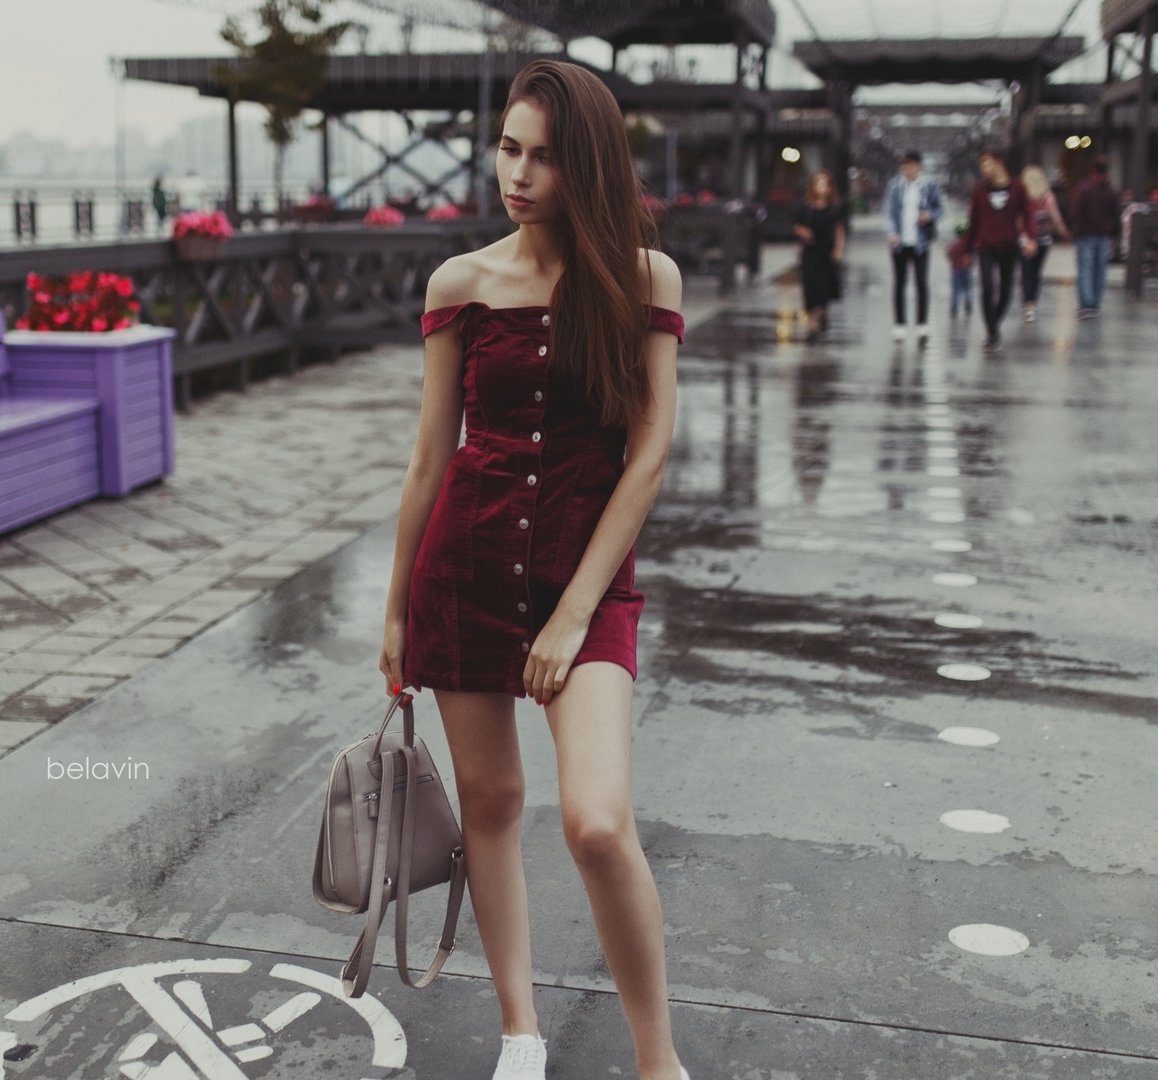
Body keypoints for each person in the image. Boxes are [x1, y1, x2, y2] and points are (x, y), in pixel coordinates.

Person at [380, 58, 689, 1080]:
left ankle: (658, 1062)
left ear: (587, 165)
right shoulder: (460, 284)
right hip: (462, 576)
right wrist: (393, 614)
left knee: (599, 823)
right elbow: (431, 456)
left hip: (584, 585)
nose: (517, 174)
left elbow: (645, 457)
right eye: (509, 148)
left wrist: (571, 617)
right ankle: (521, 1031)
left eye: (544, 157)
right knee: (494, 805)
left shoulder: (645, 280)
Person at [968, 149, 1037, 350]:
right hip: (985, 246)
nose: (983, 169)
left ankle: (993, 322)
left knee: (1006, 292)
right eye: (981, 164)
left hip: (1009, 245)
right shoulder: (979, 190)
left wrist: (1031, 238)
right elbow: (974, 220)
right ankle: (992, 334)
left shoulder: (1017, 188)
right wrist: (966, 249)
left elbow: (1028, 215)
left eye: (987, 163)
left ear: (999, 163)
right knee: (988, 288)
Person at [883, 149, 943, 341]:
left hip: (920, 243)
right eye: (903, 166)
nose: (905, 170)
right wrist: (892, 233)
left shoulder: (929, 186)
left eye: (909, 166)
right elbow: (889, 211)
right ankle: (899, 324)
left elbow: (940, 208)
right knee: (899, 283)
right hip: (899, 243)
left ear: (918, 166)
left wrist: (929, 216)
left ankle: (922, 324)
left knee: (921, 283)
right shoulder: (895, 186)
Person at [792, 170, 846, 339]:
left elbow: (839, 230)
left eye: (825, 184)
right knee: (809, 286)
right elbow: (796, 225)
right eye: (819, 183)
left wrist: (838, 250)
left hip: (827, 252)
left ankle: (823, 312)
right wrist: (803, 233)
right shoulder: (806, 206)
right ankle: (811, 322)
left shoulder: (834, 207)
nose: (822, 187)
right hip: (810, 250)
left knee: (824, 286)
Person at [1018, 164, 1071, 322]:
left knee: (1026, 272)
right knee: (1036, 272)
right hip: (1044, 240)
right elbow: (1055, 217)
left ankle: (1027, 304)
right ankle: (1032, 303)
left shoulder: (1023, 196)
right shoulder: (1048, 197)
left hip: (1025, 240)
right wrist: (1064, 231)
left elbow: (1018, 218)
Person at [1070, 155, 1120, 318]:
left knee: (1085, 269)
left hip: (1085, 233)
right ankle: (1096, 303)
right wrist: (1114, 234)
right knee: (1100, 270)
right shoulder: (1112, 190)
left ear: (1093, 170)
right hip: (1104, 234)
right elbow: (1116, 214)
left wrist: (1074, 228)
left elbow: (1076, 211)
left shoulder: (1085, 188)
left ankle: (1086, 304)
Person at [946, 220, 974, 319]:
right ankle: (968, 303)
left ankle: (954, 308)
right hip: (966, 269)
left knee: (955, 290)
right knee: (967, 288)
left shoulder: (955, 245)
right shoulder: (968, 245)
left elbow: (949, 253)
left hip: (956, 270)